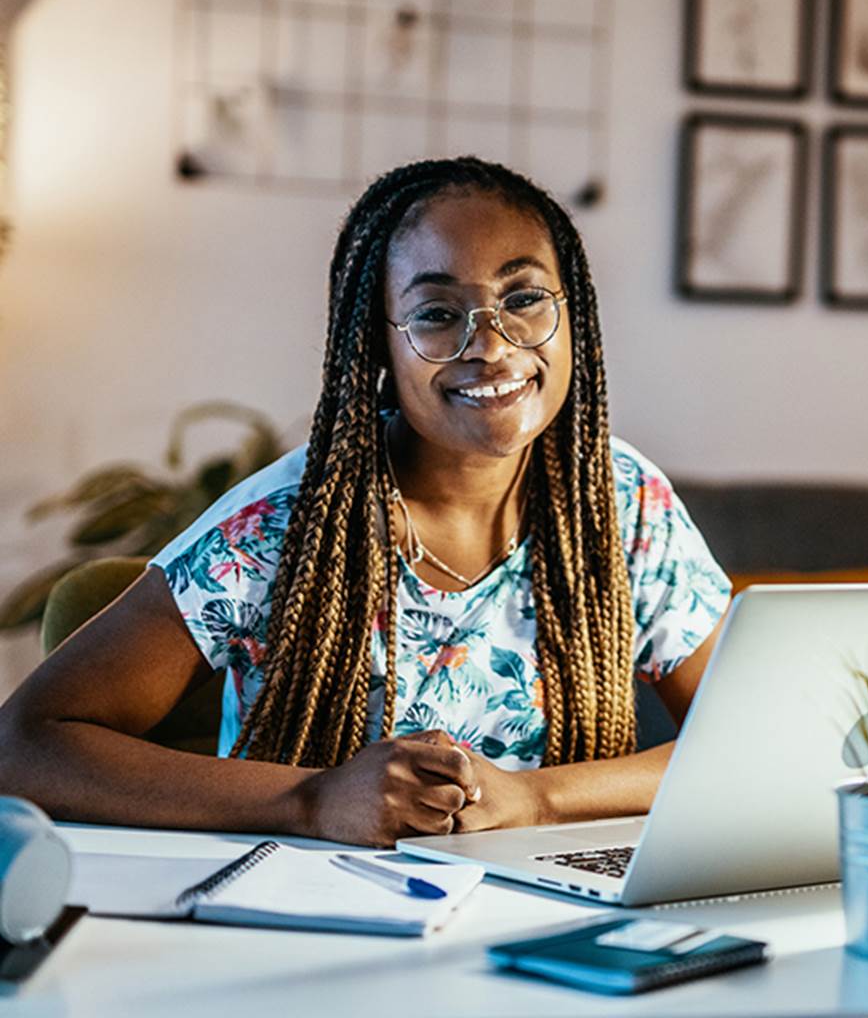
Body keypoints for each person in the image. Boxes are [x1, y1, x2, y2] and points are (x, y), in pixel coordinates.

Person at [0, 157, 730, 847]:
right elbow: (24, 745)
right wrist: (311, 800)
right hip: (312, 921)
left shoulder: (623, 505)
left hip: (549, 922)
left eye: (524, 298)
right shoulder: (282, 526)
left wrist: (538, 797)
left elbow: (756, 741)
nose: (493, 345)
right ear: (380, 349)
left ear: (571, 314)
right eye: (437, 314)